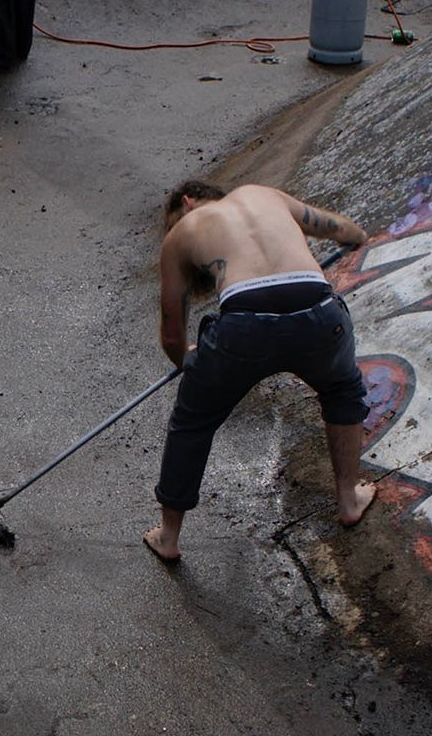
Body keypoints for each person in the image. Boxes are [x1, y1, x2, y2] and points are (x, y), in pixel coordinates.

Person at [142, 182, 376, 566]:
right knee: (341, 390)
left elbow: (172, 334)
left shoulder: (182, 233)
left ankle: (168, 537)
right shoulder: (262, 194)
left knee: (193, 422)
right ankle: (349, 498)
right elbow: (335, 227)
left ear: (187, 202)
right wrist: (359, 236)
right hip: (318, 312)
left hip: (242, 327)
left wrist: (192, 363)